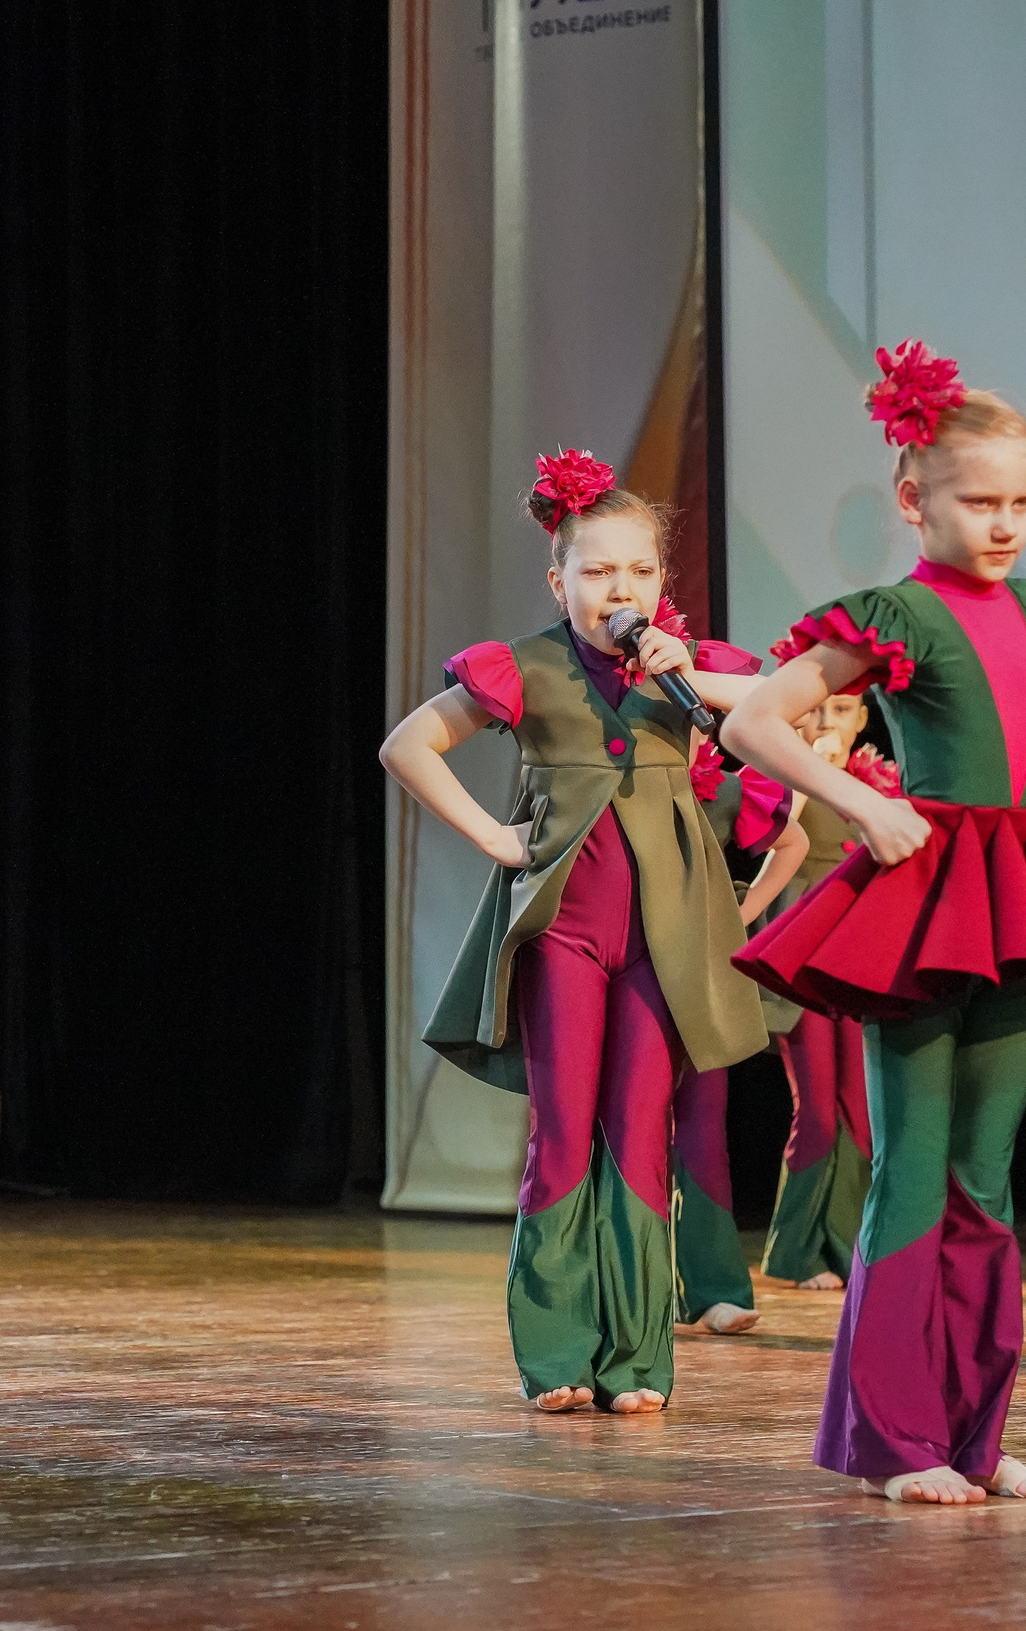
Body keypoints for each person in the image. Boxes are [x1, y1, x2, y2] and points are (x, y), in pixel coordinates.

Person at [724, 342, 1026, 1505]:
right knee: (913, 1167)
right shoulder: (896, 618)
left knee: (987, 1170)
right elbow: (758, 724)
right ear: (912, 500)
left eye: (1022, 502)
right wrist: (864, 804)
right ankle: (895, 1440)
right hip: (923, 896)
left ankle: (975, 1434)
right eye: (980, 502)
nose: (1005, 523)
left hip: (1022, 888)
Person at [382, 450, 768, 1414]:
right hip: (566, 929)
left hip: (666, 932)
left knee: (642, 1132)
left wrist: (691, 679)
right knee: (563, 1132)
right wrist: (493, 836)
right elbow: (408, 744)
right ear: (561, 579)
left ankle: (636, 1360)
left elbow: (773, 714)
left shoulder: (690, 671)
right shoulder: (530, 665)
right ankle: (556, 1352)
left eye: (639, 571)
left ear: (662, 582)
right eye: (597, 571)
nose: (620, 588)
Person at [670, 737, 802, 1336]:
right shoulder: (604, 774)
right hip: (618, 963)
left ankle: (716, 1286)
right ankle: (630, 1289)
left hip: (700, 969)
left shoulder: (724, 790)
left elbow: (792, 842)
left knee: (702, 1126)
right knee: (622, 1129)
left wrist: (740, 915)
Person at [757, 695, 888, 1288]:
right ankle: (797, 1254)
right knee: (815, 1108)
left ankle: (849, 1245)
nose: (828, 721)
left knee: (859, 1106)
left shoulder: (874, 786)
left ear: (862, 719)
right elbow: (775, 838)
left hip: (856, 956)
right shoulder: (790, 776)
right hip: (803, 956)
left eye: (842, 710)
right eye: (819, 710)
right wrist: (810, 772)